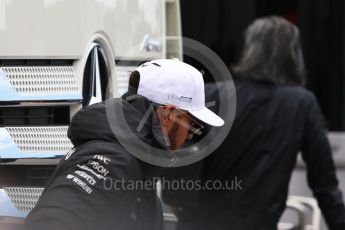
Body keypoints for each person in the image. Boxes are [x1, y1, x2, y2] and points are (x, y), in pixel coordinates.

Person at [166, 16, 345, 230]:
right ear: (294, 55)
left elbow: (177, 173)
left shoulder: (210, 95)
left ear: (250, 50)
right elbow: (325, 186)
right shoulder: (301, 104)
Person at [23, 59, 224, 230]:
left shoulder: (135, 166)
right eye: (192, 125)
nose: (191, 136)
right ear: (168, 116)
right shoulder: (114, 161)